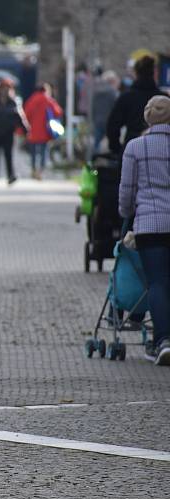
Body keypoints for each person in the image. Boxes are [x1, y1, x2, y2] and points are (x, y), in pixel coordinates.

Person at [118, 96, 170, 364]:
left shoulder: (136, 147)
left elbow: (127, 190)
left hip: (149, 224)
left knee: (158, 281)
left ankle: (163, 340)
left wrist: (126, 215)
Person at [107, 55, 167, 155]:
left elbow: (112, 126)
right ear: (155, 73)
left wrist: (117, 149)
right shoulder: (163, 99)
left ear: (136, 73)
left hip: (131, 149)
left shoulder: (126, 97)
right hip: (161, 151)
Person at [0, 78, 28, 185]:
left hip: (8, 132)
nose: (5, 90)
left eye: (7, 88)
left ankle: (10, 176)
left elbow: (20, 116)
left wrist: (26, 130)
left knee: (8, 155)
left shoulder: (13, 102)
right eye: (3, 88)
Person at [23, 82, 63, 180]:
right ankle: (40, 171)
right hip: (45, 131)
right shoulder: (48, 100)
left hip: (32, 131)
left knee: (33, 152)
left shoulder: (32, 100)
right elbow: (58, 111)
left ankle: (33, 169)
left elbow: (25, 114)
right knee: (43, 152)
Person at [91, 70, 120, 152]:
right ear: (112, 81)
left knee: (96, 144)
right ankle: (111, 163)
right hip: (110, 121)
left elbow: (93, 108)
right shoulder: (113, 93)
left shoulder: (96, 91)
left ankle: (92, 163)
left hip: (98, 120)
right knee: (112, 144)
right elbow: (116, 108)